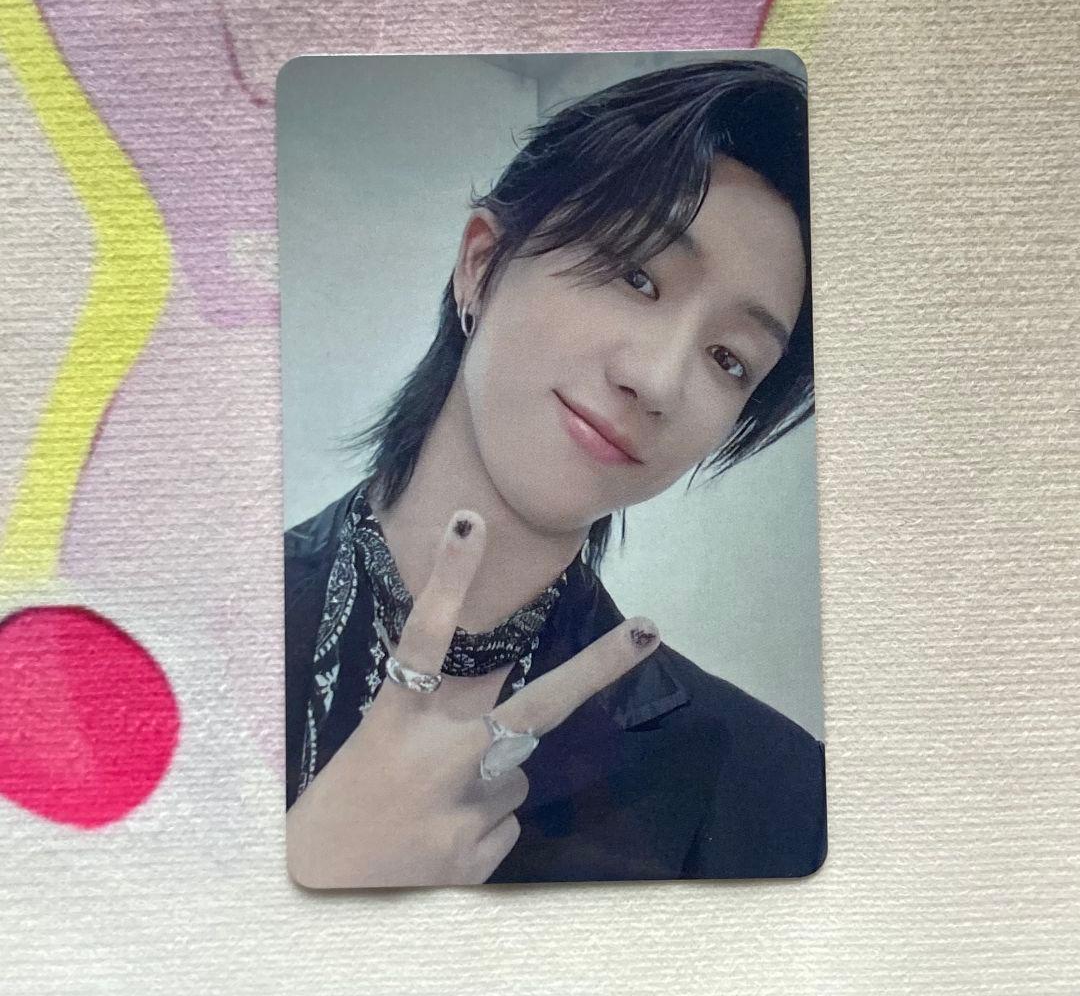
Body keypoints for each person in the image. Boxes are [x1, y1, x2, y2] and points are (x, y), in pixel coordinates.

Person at [283, 58, 827, 887]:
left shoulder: (774, 793)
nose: (658, 381)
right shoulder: (180, 631)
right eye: (636, 273)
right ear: (482, 264)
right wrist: (311, 868)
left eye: (729, 358)